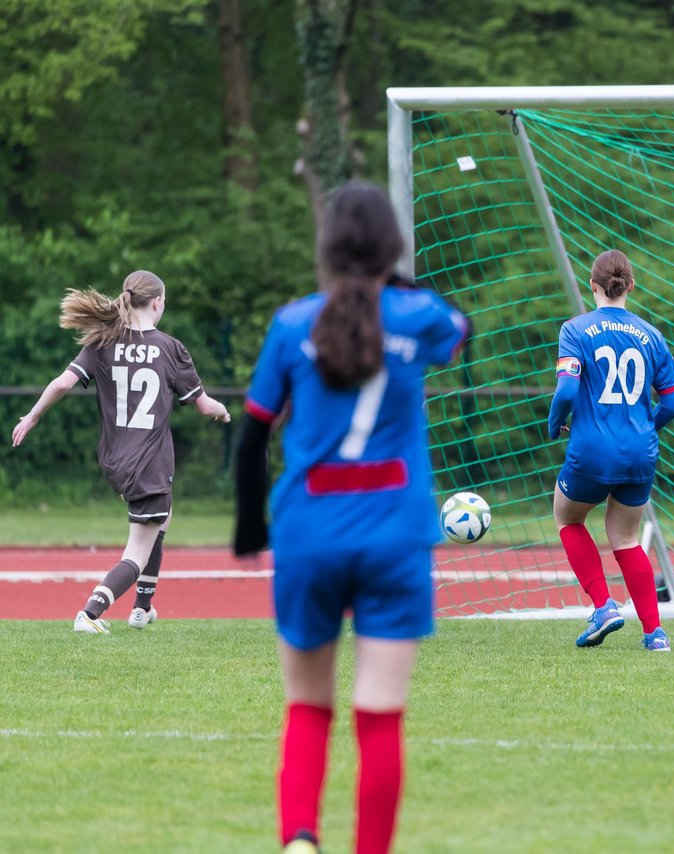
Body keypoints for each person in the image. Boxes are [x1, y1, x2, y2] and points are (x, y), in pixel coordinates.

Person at [234, 181, 467, 854]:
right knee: (380, 717)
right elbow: (462, 326)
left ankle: (301, 839)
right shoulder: (418, 313)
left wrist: (249, 525)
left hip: (309, 531)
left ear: (328, 246)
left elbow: (253, 433)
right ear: (390, 247)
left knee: (308, 706)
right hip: (395, 532)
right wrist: (398, 280)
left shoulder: (291, 323)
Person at [11, 271, 231, 633]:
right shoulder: (171, 347)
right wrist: (224, 412)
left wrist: (33, 416)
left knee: (162, 517)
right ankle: (90, 613)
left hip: (116, 460)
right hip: (149, 462)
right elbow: (204, 406)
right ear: (157, 302)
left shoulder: (103, 342)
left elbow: (63, 382)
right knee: (137, 550)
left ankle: (143, 608)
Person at [548, 249, 674, 652]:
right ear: (631, 286)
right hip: (640, 452)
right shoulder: (652, 335)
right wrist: (643, 428)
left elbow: (568, 388)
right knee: (625, 537)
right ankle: (655, 634)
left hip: (592, 449)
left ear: (593, 287)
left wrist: (556, 423)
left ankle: (604, 606)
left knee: (568, 518)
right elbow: (673, 403)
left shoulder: (575, 329)